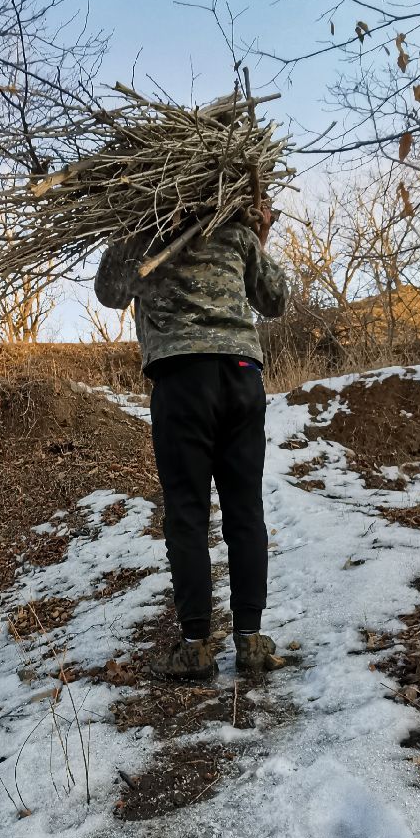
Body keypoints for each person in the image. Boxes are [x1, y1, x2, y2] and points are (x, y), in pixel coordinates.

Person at [94, 203, 289, 679]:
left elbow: (109, 293)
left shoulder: (144, 234)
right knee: (245, 509)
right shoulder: (235, 233)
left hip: (181, 379)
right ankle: (250, 641)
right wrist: (257, 240)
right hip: (242, 374)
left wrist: (126, 228)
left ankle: (196, 647)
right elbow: (275, 299)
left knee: (187, 514)